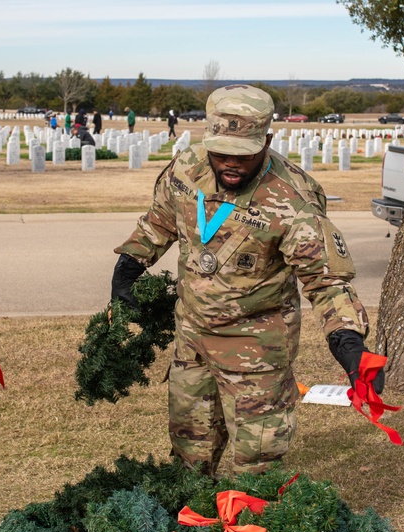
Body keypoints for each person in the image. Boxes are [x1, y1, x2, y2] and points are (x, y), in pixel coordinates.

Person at [110, 84, 383, 478]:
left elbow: (327, 283)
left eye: (243, 155)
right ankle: (193, 521)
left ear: (267, 141)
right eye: (220, 153)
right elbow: (160, 221)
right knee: (189, 451)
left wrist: (349, 341)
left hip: (255, 352)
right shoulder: (188, 169)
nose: (230, 164)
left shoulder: (294, 200)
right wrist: (128, 269)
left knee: (255, 466)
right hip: (193, 341)